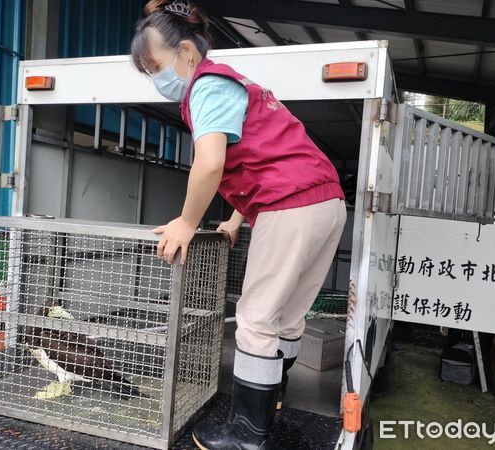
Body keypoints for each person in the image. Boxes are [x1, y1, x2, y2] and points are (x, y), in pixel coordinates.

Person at [131, 1, 347, 448]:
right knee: (287, 318)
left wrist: (187, 223)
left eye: (156, 67)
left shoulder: (207, 85)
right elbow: (257, 162)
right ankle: (272, 412)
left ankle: (248, 436)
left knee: (255, 321)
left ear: (187, 52)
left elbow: (211, 164)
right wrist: (233, 219)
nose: (157, 79)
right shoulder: (235, 83)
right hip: (324, 203)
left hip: (291, 208)